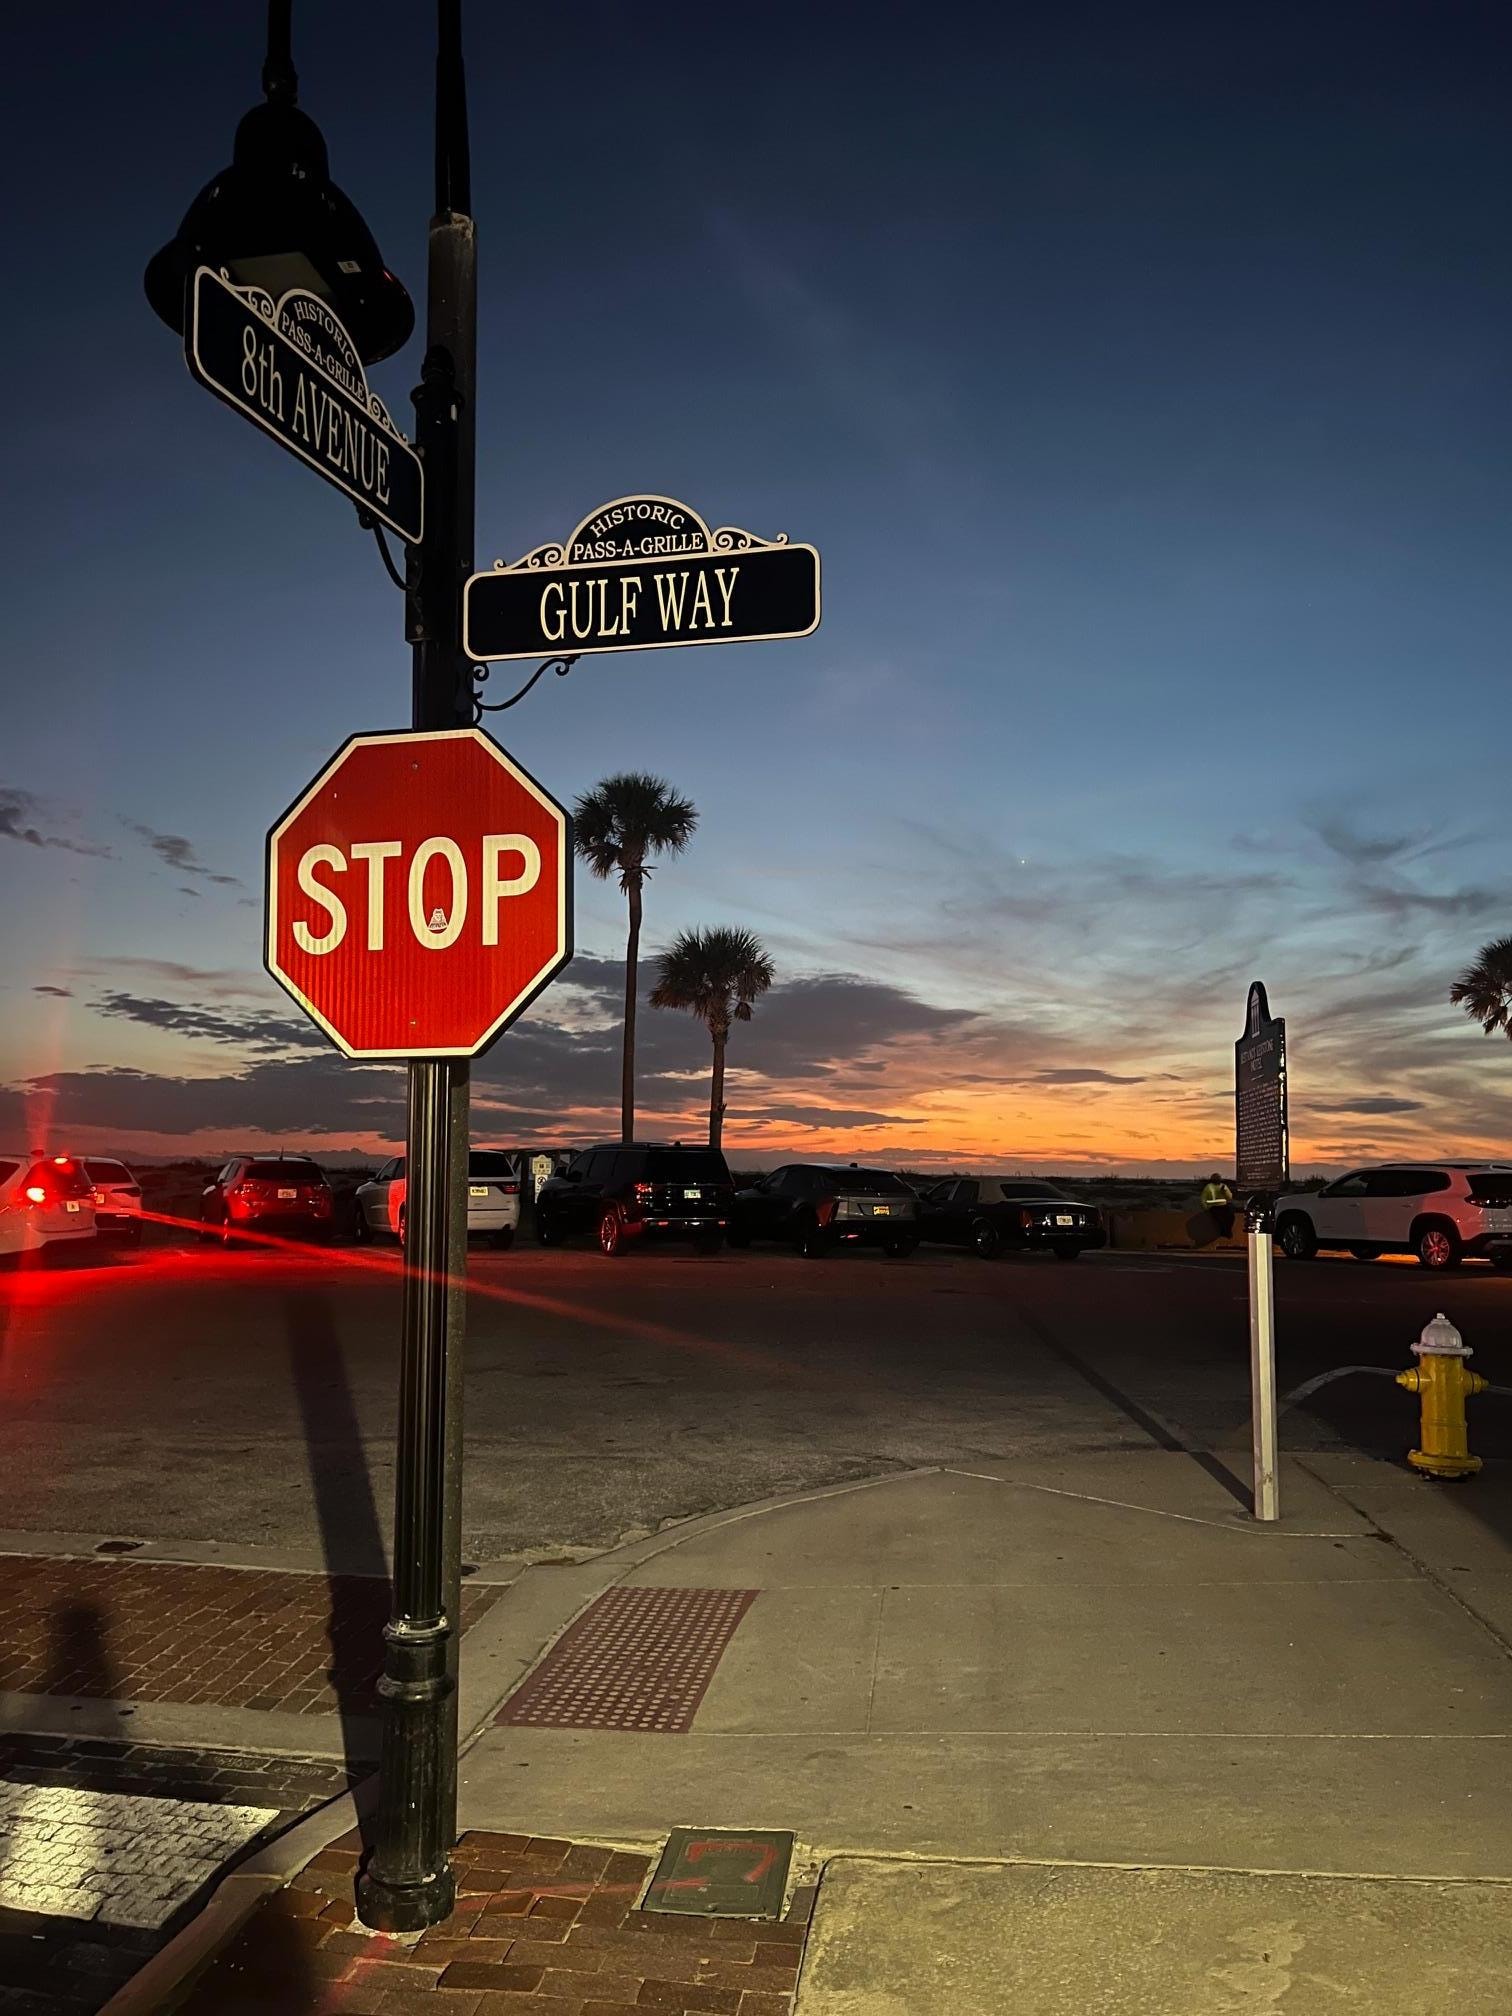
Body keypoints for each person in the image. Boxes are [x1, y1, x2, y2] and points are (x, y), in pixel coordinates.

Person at [1201, 1173, 1235, 1239]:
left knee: (1231, 1217)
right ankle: (1224, 1232)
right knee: (1220, 1220)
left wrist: (1225, 1191)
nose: (1217, 1180)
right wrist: (1206, 1208)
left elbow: (1230, 1197)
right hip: (1213, 1207)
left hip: (1224, 1207)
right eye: (1216, 1179)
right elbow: (1203, 1198)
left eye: (1218, 1179)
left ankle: (1227, 1231)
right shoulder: (1208, 1187)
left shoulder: (1223, 1186)